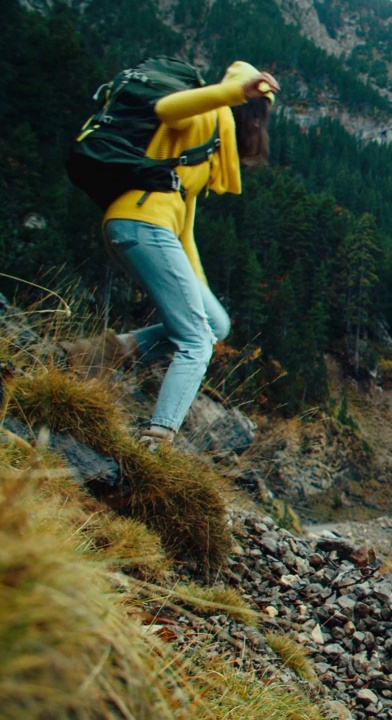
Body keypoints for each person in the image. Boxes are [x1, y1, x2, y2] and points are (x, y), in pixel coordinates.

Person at [61, 61, 280, 450]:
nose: (258, 125)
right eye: (257, 116)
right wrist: (234, 93)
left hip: (150, 228)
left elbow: (186, 228)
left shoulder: (205, 150)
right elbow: (166, 109)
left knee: (215, 323)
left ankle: (99, 354)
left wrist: (199, 290)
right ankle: (157, 441)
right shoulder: (205, 113)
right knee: (195, 342)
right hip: (141, 223)